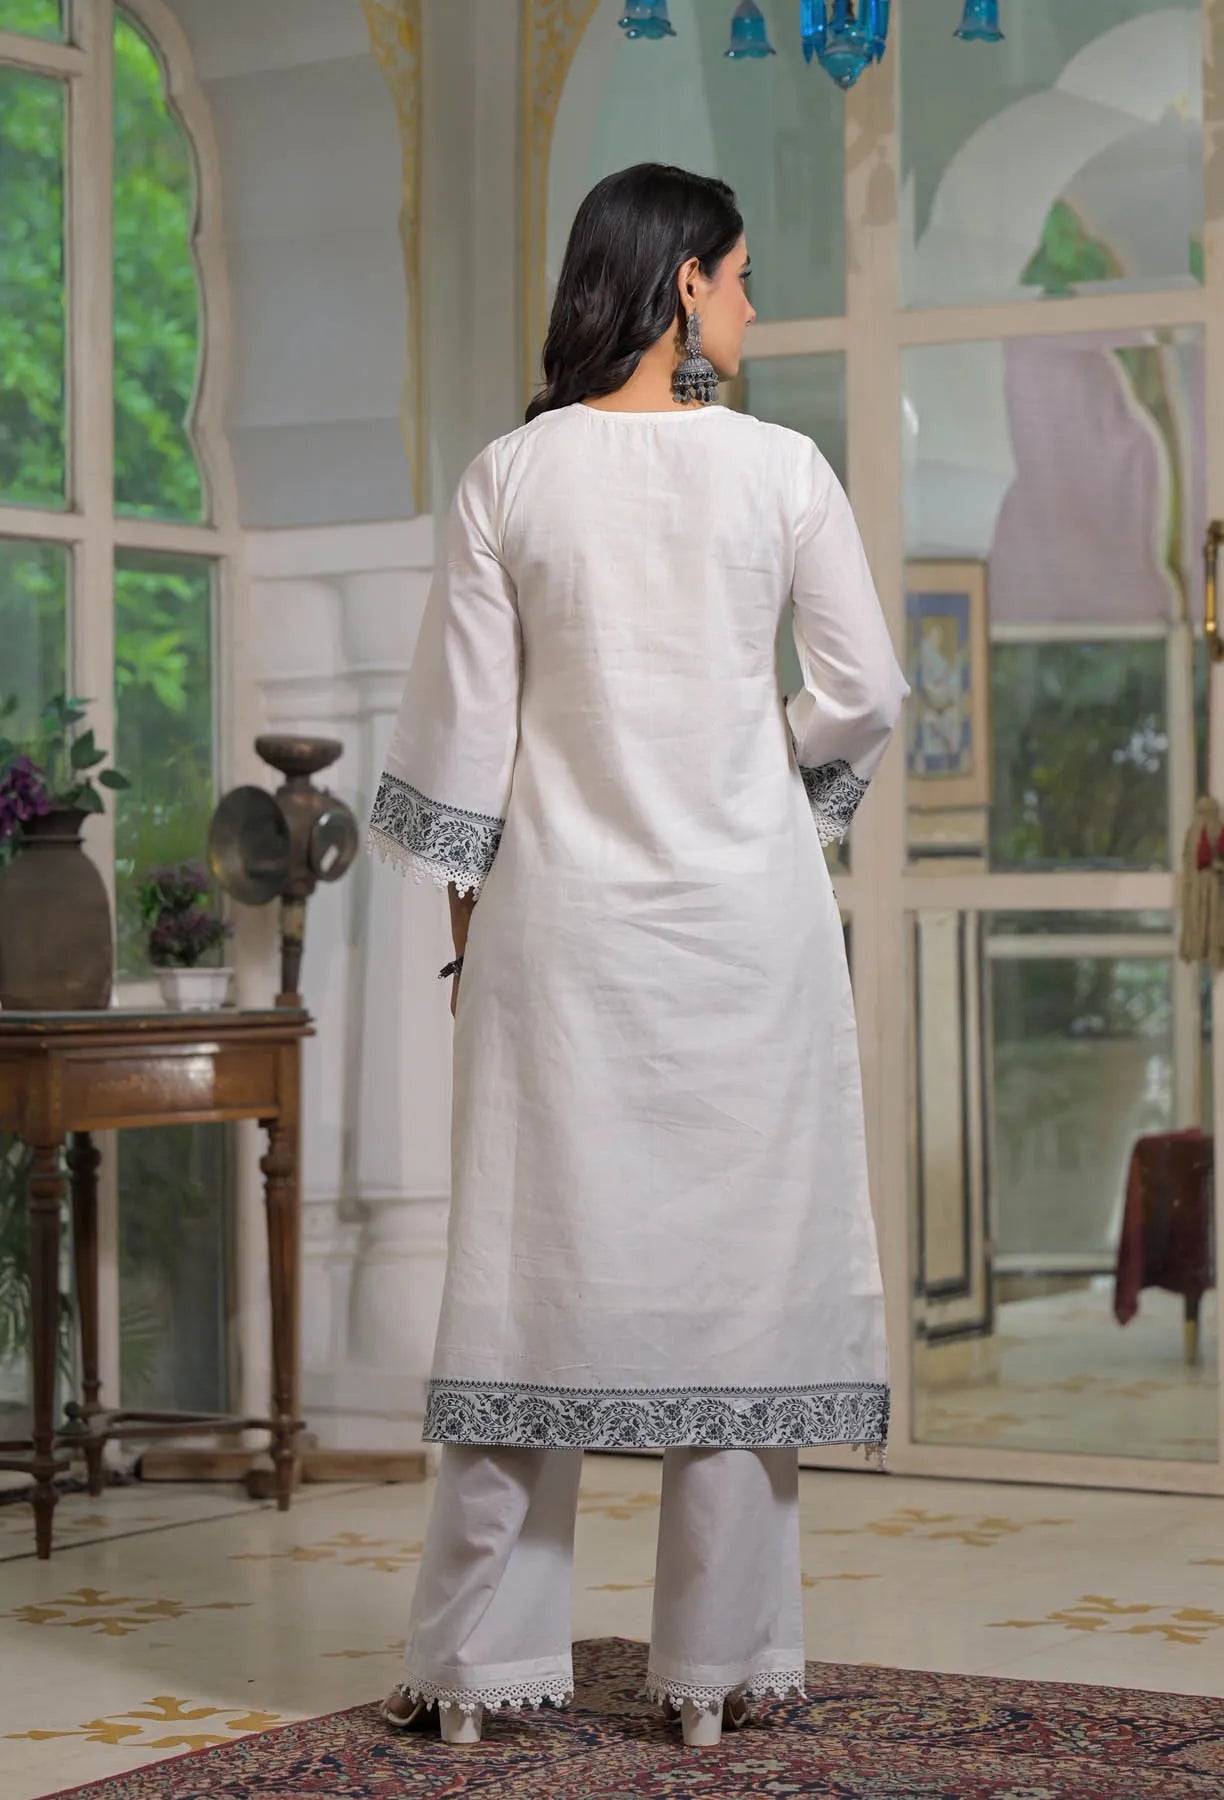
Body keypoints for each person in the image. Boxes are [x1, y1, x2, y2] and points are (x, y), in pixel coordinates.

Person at [368, 162, 909, 1751]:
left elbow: (464, 765)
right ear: (681, 286)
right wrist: (766, 775)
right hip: (749, 940)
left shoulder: (508, 479)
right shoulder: (784, 470)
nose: (753, 307)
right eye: (739, 278)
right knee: (739, 1298)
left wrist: (475, 949)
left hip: (563, 944)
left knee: (529, 1288)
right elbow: (867, 688)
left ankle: (475, 1679)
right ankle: (716, 1681)